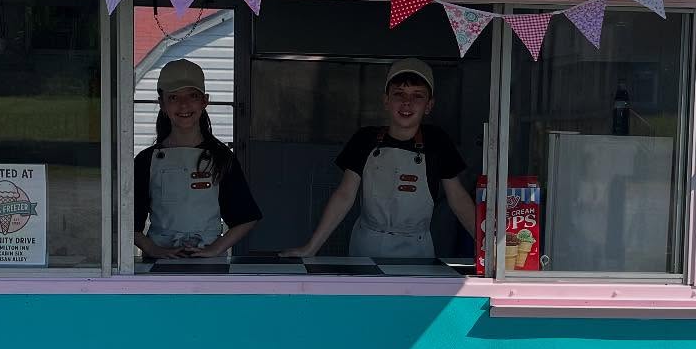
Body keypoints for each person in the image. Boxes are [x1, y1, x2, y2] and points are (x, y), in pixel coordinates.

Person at [283, 58, 475, 259]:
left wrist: (487, 249)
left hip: (417, 251)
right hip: (366, 247)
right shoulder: (364, 139)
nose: (406, 103)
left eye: (417, 96)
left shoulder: (438, 142)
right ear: (386, 101)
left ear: (429, 105)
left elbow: (458, 199)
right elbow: (344, 195)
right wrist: (311, 248)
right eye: (398, 94)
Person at [135, 59, 261, 259]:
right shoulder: (145, 160)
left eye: (192, 96)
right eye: (174, 97)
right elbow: (128, 220)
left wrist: (216, 248)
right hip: (158, 265)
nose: (184, 105)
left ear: (205, 101)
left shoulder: (222, 157)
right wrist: (153, 250)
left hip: (208, 267)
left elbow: (246, 216)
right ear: (162, 103)